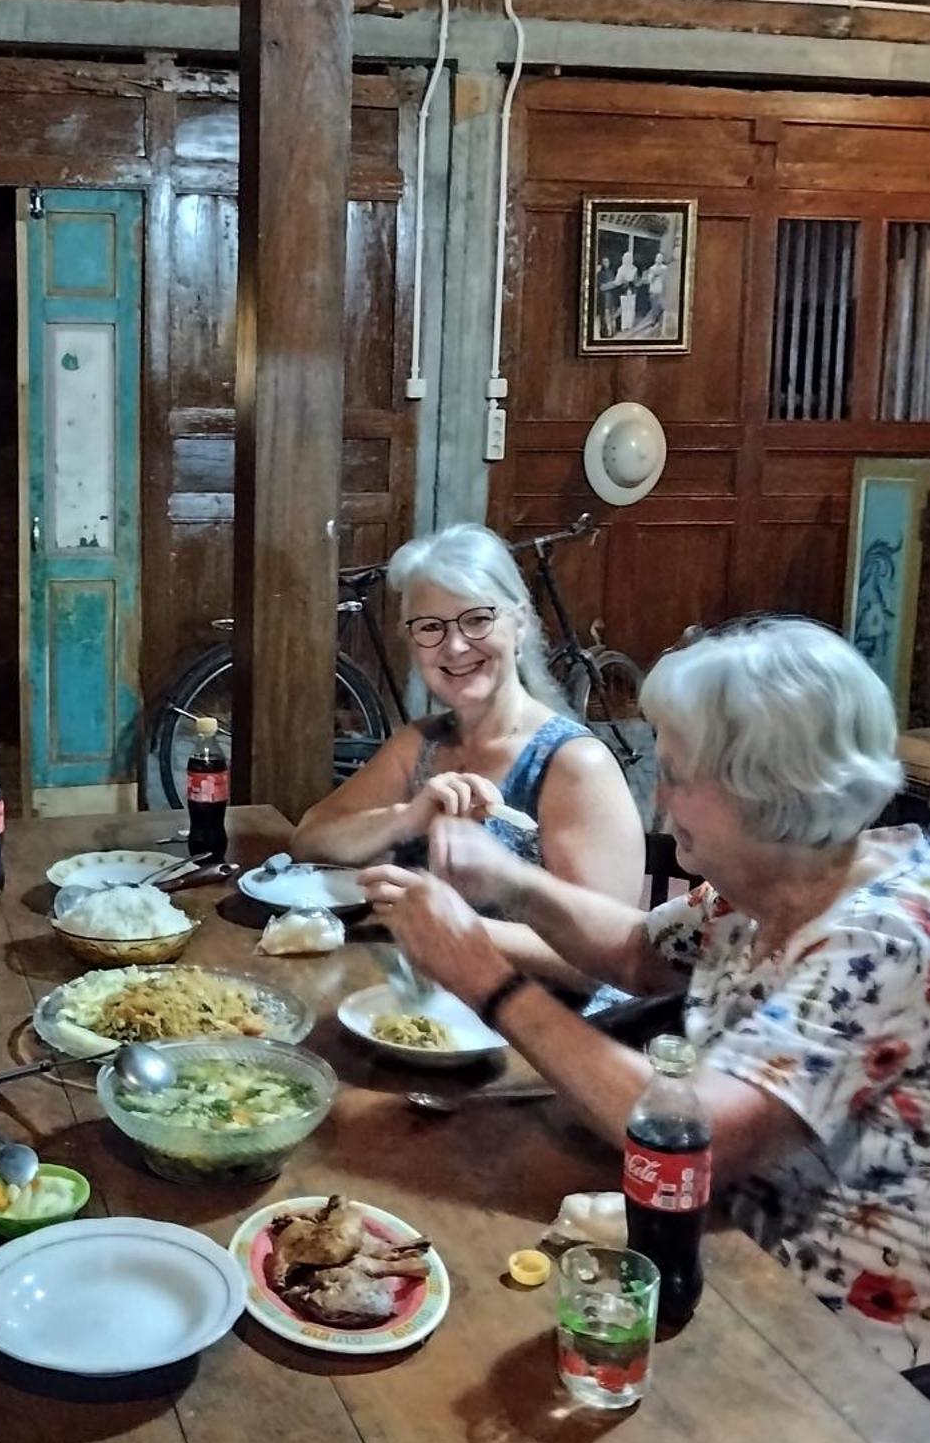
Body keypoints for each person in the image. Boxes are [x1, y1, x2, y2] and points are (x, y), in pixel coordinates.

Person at [361, 616, 930, 1374]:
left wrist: (480, 975)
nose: (656, 798)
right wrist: (511, 885)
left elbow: (702, 1141)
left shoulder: (884, 938)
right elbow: (639, 951)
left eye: (677, 775)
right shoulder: (776, 880)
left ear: (767, 790)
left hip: (837, 1341)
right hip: (716, 1253)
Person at [294, 523, 644, 984]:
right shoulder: (419, 745)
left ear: (519, 624)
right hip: (424, 1006)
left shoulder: (575, 764)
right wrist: (404, 816)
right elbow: (309, 839)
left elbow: (608, 960)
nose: (454, 646)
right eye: (431, 627)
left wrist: (441, 919)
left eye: (477, 619)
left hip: (547, 1034)